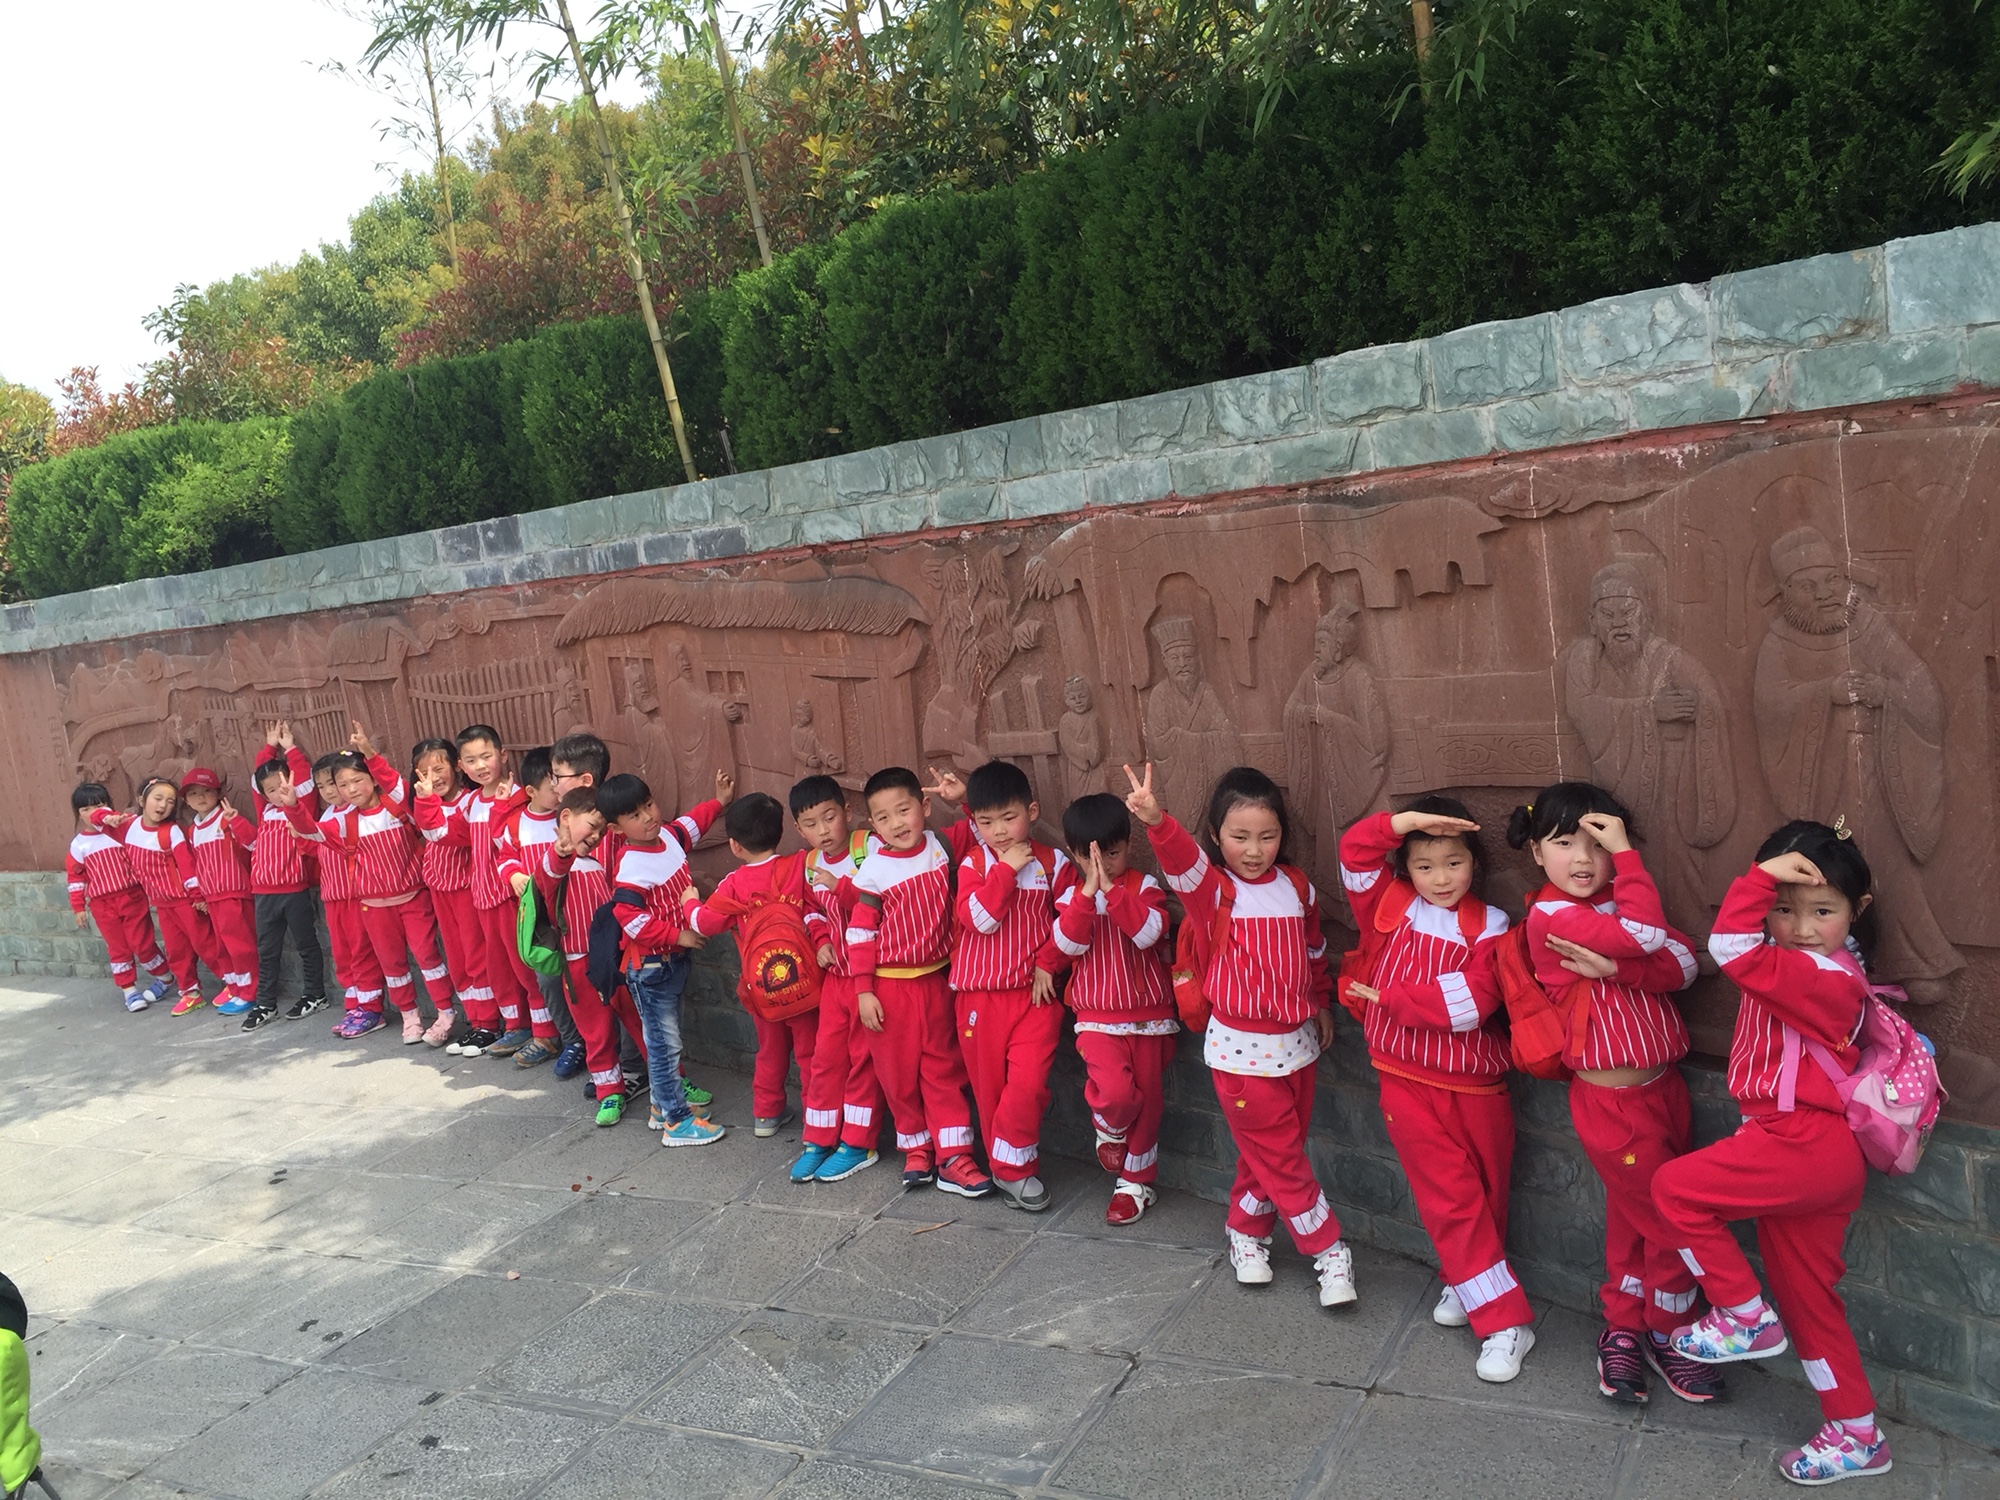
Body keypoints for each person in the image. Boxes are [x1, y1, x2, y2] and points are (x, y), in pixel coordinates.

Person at [1652, 822, 1892, 1486]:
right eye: (1784, 909)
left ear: (1857, 910)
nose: (1801, 927)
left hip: (1800, 1142)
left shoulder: (1823, 976)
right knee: (1808, 1303)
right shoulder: (1812, 966)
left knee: (1674, 1191)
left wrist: (1760, 879)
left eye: (1822, 911)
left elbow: (1729, 947)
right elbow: (1748, 948)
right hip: (1813, 1154)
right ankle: (1857, 1435)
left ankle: (1741, 1316)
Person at [1506, 782, 1715, 1405]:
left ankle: (1623, 1326)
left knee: (1633, 1216)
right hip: (1612, 1104)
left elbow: (1685, 964)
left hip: (1665, 1088)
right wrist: (1628, 857)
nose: (1584, 859)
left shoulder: (1617, 906)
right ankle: (1674, 1331)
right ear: (1536, 853)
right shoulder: (1552, 917)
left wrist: (1618, 970)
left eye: (1599, 844)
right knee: (1669, 1217)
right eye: (1564, 843)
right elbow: (1652, 937)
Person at [1127, 762, 1351, 1306]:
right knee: (1282, 1158)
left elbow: (1315, 951)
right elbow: (1181, 864)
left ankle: (1245, 1233)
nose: (1254, 850)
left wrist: (1321, 1003)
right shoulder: (1213, 892)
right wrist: (1157, 822)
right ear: (1215, 835)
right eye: (1240, 836)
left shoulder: (1297, 887)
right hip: (1240, 1052)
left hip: (1298, 1044)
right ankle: (1329, 1250)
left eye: (1267, 836)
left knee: (1269, 1153)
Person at [1337, 796, 1537, 1382]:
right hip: (1403, 1078)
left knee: (1484, 1193)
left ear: (1475, 862)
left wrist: (1394, 999)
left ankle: (1463, 1280)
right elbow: (1354, 851)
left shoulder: (1490, 925)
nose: (1441, 878)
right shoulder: (1387, 904)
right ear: (1405, 867)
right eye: (1424, 865)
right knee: (1449, 1197)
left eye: (1454, 863)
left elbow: (1474, 1003)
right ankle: (1506, 1322)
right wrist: (1406, 823)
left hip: (1478, 1085)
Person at [845, 766, 992, 1198]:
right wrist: (863, 990)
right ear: (873, 825)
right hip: (888, 990)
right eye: (884, 817)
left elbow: (983, 834)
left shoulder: (942, 846)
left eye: (904, 810)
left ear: (924, 807)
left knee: (944, 1070)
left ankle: (955, 1157)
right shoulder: (873, 871)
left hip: (938, 982)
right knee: (897, 1076)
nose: (897, 823)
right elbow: (860, 933)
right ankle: (916, 1149)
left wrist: (962, 799)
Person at [943, 760, 1067, 1212]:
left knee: (1028, 1084)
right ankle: (1010, 1170)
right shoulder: (975, 863)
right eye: (986, 822)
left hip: (1036, 996)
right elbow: (979, 920)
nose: (998, 831)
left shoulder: (1053, 862)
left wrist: (1049, 963)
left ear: (1031, 812)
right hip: (979, 996)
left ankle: (1012, 1168)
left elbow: (1074, 920)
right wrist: (1006, 871)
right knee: (990, 1090)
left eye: (1008, 818)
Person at [1049, 791, 1176, 1225]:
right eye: (1092, 858)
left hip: (1150, 1018)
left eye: (1113, 854)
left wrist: (1113, 893)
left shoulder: (1145, 888)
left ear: (1128, 845)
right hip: (1097, 1019)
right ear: (1074, 854)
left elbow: (1149, 935)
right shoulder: (1071, 897)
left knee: (1149, 1103)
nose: (1103, 865)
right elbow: (1066, 946)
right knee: (1118, 1094)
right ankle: (1110, 1127)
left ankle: (1135, 1184)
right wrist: (1088, 895)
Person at [288, 725, 458, 1045]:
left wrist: (369, 753)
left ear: (372, 778)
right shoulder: (343, 821)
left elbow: (394, 783)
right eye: (343, 784)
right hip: (375, 908)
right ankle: (409, 1016)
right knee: (392, 965)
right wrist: (292, 807)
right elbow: (312, 833)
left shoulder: (398, 806)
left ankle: (445, 1012)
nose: (351, 789)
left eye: (357, 780)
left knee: (427, 957)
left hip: (413, 899)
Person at [599, 768, 732, 1146]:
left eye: (648, 805)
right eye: (635, 815)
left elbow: (692, 824)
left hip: (672, 963)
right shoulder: (631, 865)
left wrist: (719, 801)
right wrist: (678, 935)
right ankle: (677, 1121)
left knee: (666, 1041)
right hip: (651, 968)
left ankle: (661, 1106)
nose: (648, 817)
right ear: (617, 828)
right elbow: (629, 918)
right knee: (663, 1046)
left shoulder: (669, 837)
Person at [683, 792, 819, 1136]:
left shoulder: (733, 884)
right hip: (804, 981)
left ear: (734, 845)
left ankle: (766, 1114)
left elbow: (704, 924)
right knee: (811, 1053)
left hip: (760, 986)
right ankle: (817, 1117)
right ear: (781, 831)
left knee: (770, 1050)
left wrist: (689, 903)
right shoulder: (799, 865)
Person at [530, 787, 647, 1126]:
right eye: (592, 826)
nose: (596, 836)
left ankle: (673, 1078)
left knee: (641, 1023)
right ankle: (609, 1092)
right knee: (597, 1034)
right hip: (577, 965)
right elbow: (551, 872)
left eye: (601, 831)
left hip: (613, 959)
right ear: (566, 817)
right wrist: (561, 851)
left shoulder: (595, 866)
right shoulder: (554, 863)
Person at [788, 775, 885, 1183]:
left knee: (863, 1060)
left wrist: (841, 886)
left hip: (869, 979)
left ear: (847, 812)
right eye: (811, 824)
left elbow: (887, 899)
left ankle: (858, 1143)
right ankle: (818, 1139)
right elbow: (811, 909)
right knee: (825, 1059)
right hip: (835, 980)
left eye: (829, 818)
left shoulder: (870, 848)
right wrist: (821, 939)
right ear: (799, 829)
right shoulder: (810, 862)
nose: (823, 831)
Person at [552, 730, 657, 1102]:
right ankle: (609, 1086)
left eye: (558, 776)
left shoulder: (611, 839)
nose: (553, 784)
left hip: (617, 949)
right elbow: (547, 876)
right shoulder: (558, 853)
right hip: (576, 957)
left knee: (636, 1016)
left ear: (584, 780)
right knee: (596, 1026)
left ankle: (654, 1077)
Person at [415, 725, 532, 1056]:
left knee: (522, 968)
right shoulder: (474, 803)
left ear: (502, 755)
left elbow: (512, 845)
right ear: (462, 765)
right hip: (484, 899)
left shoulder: (516, 797)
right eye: (471, 760)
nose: (480, 766)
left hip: (509, 897)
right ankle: (510, 1027)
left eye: (486, 756)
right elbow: (443, 834)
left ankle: (543, 1031)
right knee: (497, 969)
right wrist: (426, 801)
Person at [84, 778, 230, 1016]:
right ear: (142, 800)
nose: (163, 805)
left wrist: (197, 896)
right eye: (158, 798)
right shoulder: (128, 826)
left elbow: (187, 866)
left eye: (170, 801)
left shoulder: (171, 831)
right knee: (176, 950)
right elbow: (94, 818)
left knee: (205, 943)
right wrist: (108, 817)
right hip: (162, 904)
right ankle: (190, 992)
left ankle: (232, 982)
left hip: (185, 901)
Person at [241, 723, 327, 1031]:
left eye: (282, 786)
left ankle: (315, 994)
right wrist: (268, 748)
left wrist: (290, 749)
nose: (279, 793)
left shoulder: (300, 807)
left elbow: (302, 782)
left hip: (294, 891)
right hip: (263, 893)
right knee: (267, 951)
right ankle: (266, 1003)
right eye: (271, 790)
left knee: (306, 945)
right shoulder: (265, 812)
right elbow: (257, 780)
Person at [411, 737, 492, 1053]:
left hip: (466, 891)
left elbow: (444, 835)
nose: (433, 777)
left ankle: (489, 1023)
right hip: (440, 892)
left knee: (476, 957)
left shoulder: (469, 803)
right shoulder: (426, 802)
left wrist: (427, 802)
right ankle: (475, 1020)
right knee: (457, 961)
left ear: (457, 767)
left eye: (439, 768)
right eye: (424, 772)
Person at [493, 745, 570, 1068]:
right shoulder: (516, 824)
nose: (558, 792)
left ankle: (580, 1039)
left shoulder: (569, 818)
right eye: (552, 787)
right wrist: (512, 874)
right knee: (541, 976)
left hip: (571, 911)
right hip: (537, 920)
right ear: (530, 791)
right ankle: (553, 1036)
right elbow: (504, 857)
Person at [66, 782, 170, 1012]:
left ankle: (164, 977)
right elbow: (75, 879)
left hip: (132, 897)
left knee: (142, 944)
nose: (92, 813)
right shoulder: (79, 844)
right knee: (118, 948)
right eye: (85, 809)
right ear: (78, 814)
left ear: (109, 806)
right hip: (102, 905)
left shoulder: (123, 830)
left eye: (98, 807)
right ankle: (129, 990)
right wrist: (78, 908)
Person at [308, 753, 387, 1033]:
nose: (329, 792)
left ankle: (371, 1009)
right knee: (343, 955)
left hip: (356, 895)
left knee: (361, 953)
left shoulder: (354, 814)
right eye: (321, 787)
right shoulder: (327, 814)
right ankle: (354, 1006)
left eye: (333, 784)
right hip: (333, 897)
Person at [180, 767, 257, 1015]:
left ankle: (250, 992)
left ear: (218, 793)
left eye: (206, 791)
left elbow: (253, 843)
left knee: (240, 945)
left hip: (233, 892)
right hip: (212, 897)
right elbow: (197, 864)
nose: (200, 797)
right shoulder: (193, 830)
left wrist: (236, 821)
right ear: (186, 800)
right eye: (193, 793)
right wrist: (200, 895)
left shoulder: (226, 818)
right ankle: (234, 987)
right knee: (223, 947)